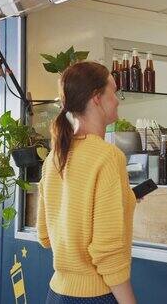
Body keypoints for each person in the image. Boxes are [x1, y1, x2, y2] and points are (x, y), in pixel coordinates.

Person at [37, 62, 137, 304]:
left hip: (57, 292)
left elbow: (45, 236)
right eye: (112, 91)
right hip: (94, 296)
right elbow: (108, 253)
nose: (117, 100)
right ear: (96, 98)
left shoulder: (54, 157)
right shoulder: (108, 157)